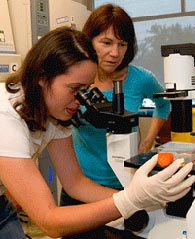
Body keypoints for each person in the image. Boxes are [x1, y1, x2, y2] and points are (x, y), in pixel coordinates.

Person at [0, 27, 195, 239]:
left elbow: (75, 183)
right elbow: (49, 221)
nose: (80, 100)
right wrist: (129, 201)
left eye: (85, 90)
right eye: (74, 90)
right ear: (41, 78)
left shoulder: (56, 113)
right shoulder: (0, 117)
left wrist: (141, 197)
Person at [60, 3, 171, 237]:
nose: (115, 53)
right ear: (89, 41)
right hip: (80, 186)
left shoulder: (141, 79)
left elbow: (164, 104)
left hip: (124, 186)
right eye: (106, 42)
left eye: (122, 44)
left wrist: (149, 139)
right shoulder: (76, 79)